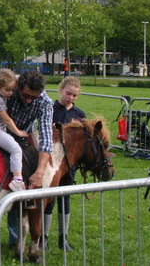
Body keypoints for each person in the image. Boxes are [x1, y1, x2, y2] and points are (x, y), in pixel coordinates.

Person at [0, 70, 53, 251]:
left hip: (22, 139)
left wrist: (40, 171)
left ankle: (15, 240)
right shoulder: (6, 82)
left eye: (34, 97)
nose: (29, 100)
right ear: (18, 86)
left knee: (19, 184)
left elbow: (46, 137)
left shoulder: (45, 102)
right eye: (25, 95)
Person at [43, 76, 86, 251]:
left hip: (70, 165)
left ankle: (63, 238)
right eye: (68, 93)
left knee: (65, 199)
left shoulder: (79, 114)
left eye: (75, 95)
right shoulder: (51, 109)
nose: (71, 98)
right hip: (51, 164)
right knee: (49, 199)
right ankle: (44, 238)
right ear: (61, 89)